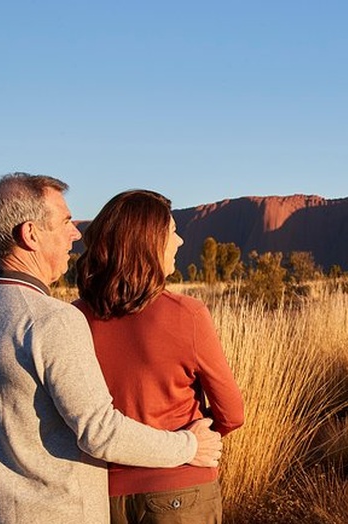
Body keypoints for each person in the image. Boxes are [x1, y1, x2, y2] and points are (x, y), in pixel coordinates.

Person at [0, 173, 223, 524]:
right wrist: (189, 446)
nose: (75, 233)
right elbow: (100, 432)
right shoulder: (51, 320)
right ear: (31, 234)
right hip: (57, 512)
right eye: (64, 222)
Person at [73, 189, 244, 524]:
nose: (179, 242)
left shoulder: (74, 319)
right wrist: (196, 439)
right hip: (181, 489)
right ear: (148, 244)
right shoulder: (188, 315)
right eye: (171, 232)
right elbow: (233, 413)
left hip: (101, 496)